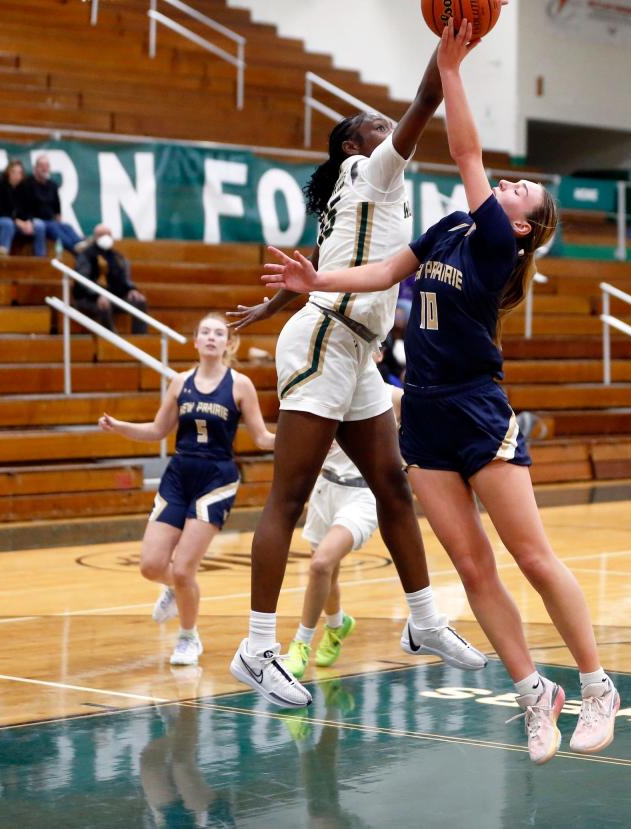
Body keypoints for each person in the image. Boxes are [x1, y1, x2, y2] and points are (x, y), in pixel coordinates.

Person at [260, 20, 619, 766]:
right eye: (511, 182)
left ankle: (597, 684)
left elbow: (464, 152)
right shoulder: (456, 225)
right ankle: (534, 694)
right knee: (473, 566)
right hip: (421, 411)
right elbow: (387, 270)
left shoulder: (493, 241)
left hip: (477, 408)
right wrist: (315, 280)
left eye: (523, 191)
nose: (509, 186)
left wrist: (451, 68)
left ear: (524, 226)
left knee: (533, 557)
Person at [226, 28, 492, 709]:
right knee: (289, 495)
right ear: (353, 145)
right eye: (374, 125)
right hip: (326, 340)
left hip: (353, 345)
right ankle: (256, 646)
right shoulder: (372, 171)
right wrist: (454, 45)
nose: (389, 127)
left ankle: (425, 619)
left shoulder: (363, 193)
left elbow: (319, 265)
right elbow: (426, 102)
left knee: (391, 489)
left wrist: (267, 308)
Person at [99, 313, 275, 666]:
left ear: (228, 343)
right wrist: (119, 427)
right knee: (151, 566)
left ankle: (188, 638)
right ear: (195, 341)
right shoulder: (180, 382)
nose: (211, 337)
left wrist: (305, 440)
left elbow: (262, 438)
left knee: (183, 569)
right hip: (178, 473)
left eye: (219, 333)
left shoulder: (240, 385)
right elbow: (156, 430)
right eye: (205, 332)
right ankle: (176, 590)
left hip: (217, 478)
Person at [285, 386, 403, 679]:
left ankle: (301, 642)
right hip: (325, 488)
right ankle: (337, 624)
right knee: (328, 574)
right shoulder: (329, 387)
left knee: (321, 563)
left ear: (377, 353)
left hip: (363, 494)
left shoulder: (396, 398)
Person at [73, 224, 148, 334]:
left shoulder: (117, 257)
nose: (106, 237)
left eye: (108, 234)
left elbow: (125, 278)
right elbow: (82, 281)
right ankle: (111, 340)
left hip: (114, 296)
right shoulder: (86, 255)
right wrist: (97, 295)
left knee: (139, 301)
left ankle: (140, 339)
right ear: (95, 237)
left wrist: (131, 289)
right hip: (89, 298)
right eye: (102, 235)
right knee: (104, 305)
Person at [0, 160, 45, 256]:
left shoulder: (25, 188)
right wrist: (17, 222)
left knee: (39, 225)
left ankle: (41, 258)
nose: (17, 175)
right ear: (8, 173)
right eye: (14, 172)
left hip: (20, 223)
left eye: (19, 173)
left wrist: (28, 222)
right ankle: (3, 252)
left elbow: (29, 210)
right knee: (7, 223)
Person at [18, 154, 83, 254]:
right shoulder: (27, 184)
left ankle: (81, 244)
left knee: (67, 227)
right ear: (35, 168)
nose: (44, 169)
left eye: (46, 166)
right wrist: (28, 221)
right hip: (36, 221)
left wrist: (58, 219)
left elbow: (57, 208)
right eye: (41, 166)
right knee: (54, 229)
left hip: (51, 220)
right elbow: (22, 207)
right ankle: (75, 249)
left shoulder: (52, 185)